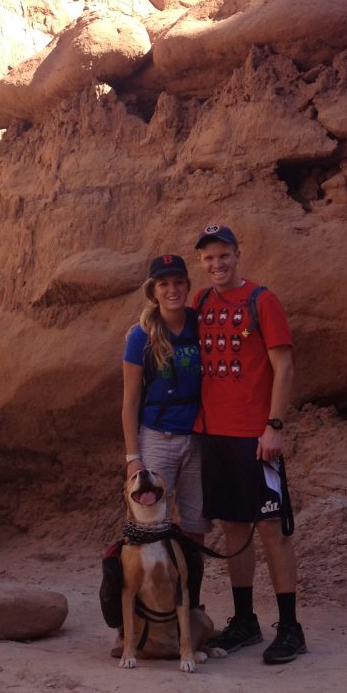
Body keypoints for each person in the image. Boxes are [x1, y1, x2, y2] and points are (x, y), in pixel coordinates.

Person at [193, 222, 306, 664]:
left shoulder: (263, 301)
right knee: (234, 529)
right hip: (214, 436)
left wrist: (274, 426)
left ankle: (291, 627)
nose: (216, 264)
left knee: (271, 529)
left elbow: (285, 367)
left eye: (223, 255)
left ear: (237, 255)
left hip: (256, 438)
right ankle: (245, 621)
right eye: (208, 258)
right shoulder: (201, 302)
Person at [120, 253, 210, 599]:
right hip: (156, 438)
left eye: (178, 282)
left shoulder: (199, 324)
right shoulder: (140, 336)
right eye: (164, 284)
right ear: (153, 291)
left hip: (196, 438)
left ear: (188, 286)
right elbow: (129, 402)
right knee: (146, 526)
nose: (172, 290)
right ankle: (139, 616)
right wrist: (133, 456)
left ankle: (191, 607)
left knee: (196, 525)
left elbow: (241, 333)